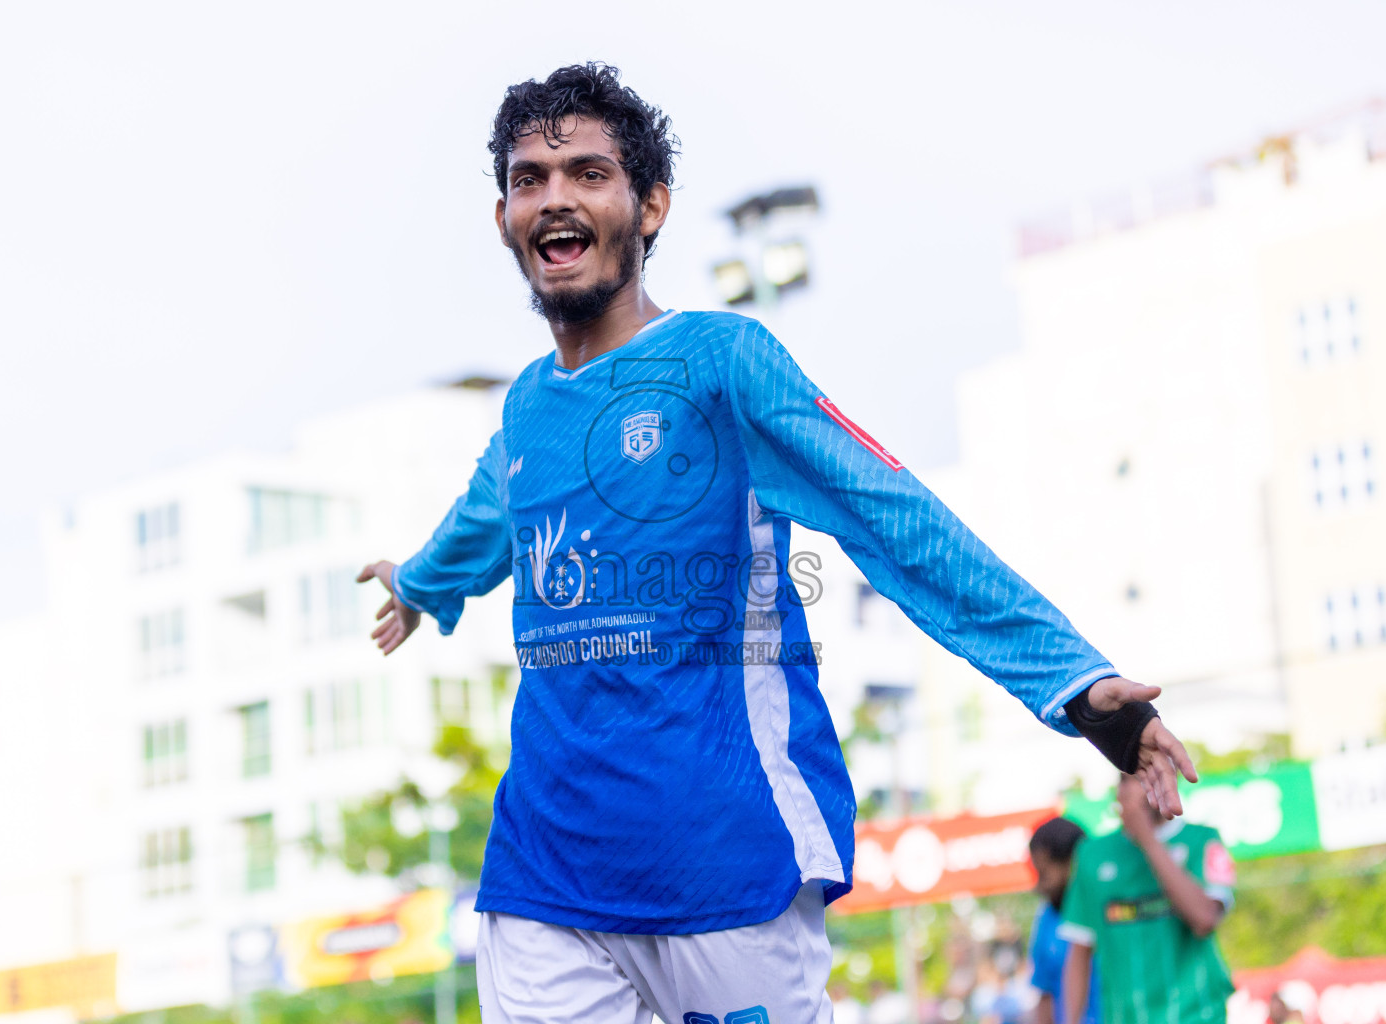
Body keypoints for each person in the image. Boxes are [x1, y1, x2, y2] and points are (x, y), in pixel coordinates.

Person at [357, 62, 1197, 1024]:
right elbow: (484, 521)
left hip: (726, 860)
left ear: (650, 205)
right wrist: (420, 582)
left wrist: (1072, 683)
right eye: (528, 179)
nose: (554, 198)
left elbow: (893, 515)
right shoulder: (525, 407)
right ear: (504, 217)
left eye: (588, 173)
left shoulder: (722, 361)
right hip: (544, 880)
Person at [1059, 775, 1235, 1024]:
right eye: (1123, 779)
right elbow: (1079, 950)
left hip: (1197, 1016)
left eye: (1143, 778)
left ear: (1168, 781)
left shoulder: (1203, 840)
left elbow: (1205, 918)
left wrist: (1148, 840)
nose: (1129, 789)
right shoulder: (1091, 854)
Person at [1027, 817, 1099, 1024]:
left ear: (1073, 863)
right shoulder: (1048, 918)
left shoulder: (1109, 907)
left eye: (1044, 874)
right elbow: (1045, 993)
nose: (1040, 887)